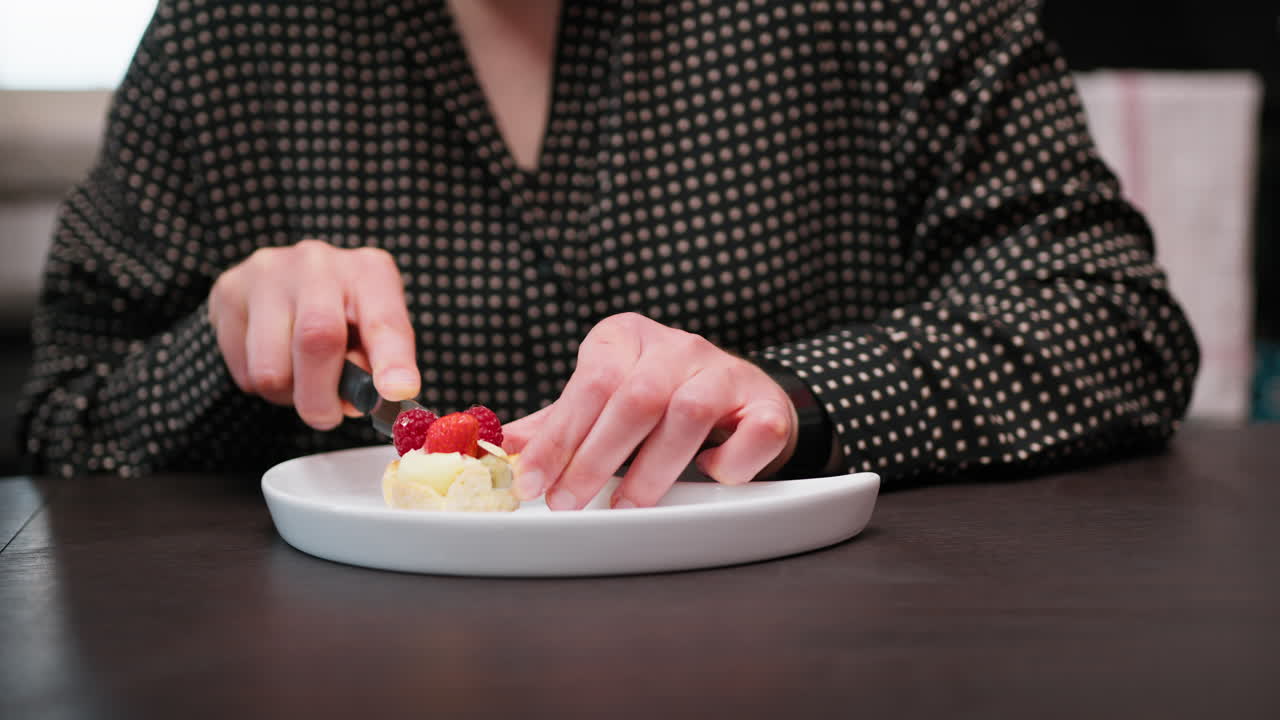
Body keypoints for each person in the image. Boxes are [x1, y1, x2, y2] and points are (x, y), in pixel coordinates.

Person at [18, 0, 1199, 511]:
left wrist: (798, 398)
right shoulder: (225, 35)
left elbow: (1112, 317)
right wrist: (228, 358)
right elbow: (62, 422)